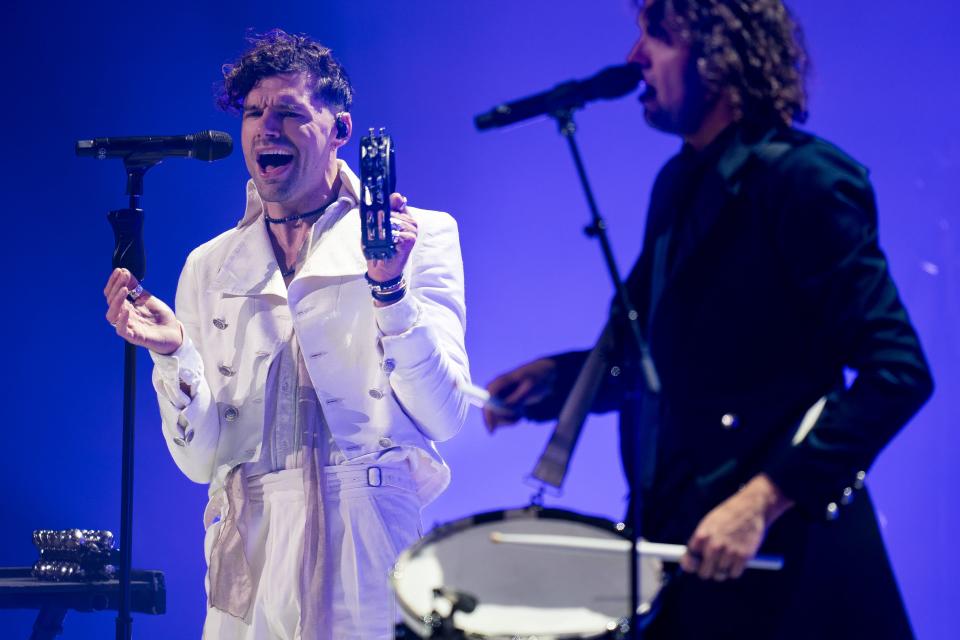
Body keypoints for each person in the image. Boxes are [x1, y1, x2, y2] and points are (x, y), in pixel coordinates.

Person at [483, 1, 933, 638]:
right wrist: (557, 382)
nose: (634, 58)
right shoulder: (678, 183)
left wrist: (761, 500)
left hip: (792, 570)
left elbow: (900, 372)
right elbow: (662, 363)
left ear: (721, 53)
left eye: (656, 38)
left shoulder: (805, 179)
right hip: (686, 551)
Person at [103, 29, 470, 640]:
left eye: (290, 113)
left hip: (368, 531)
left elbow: (446, 414)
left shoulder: (420, 237)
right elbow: (201, 464)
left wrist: (390, 288)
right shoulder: (211, 265)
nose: (266, 129)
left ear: (341, 129)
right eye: (252, 113)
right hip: (249, 539)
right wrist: (173, 357)